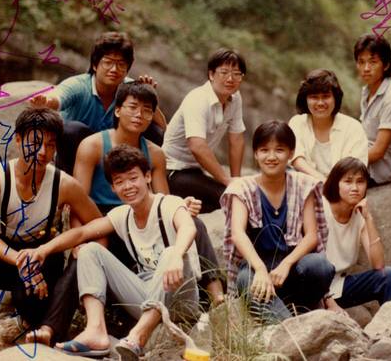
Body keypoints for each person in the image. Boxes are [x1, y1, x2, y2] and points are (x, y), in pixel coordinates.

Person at [18, 145, 199, 360]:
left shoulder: (168, 204)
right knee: (89, 250)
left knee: (169, 253)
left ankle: (139, 336)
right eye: (119, 182)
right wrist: (43, 249)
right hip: (145, 296)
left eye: (133, 178)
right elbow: (81, 233)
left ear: (148, 176)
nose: (128, 186)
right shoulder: (122, 215)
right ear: (113, 188)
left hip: (180, 298)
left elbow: (188, 227)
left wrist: (177, 256)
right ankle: (96, 331)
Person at [0, 108, 102, 361]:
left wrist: (83, 248)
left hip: (44, 258)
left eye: (50, 145)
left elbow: (99, 223)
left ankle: (34, 322)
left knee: (31, 310)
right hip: (7, 254)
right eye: (34, 143)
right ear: (18, 139)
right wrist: (19, 261)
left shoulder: (64, 184)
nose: (42, 152)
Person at [74, 82, 224, 304]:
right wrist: (77, 239)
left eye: (146, 110)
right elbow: (78, 199)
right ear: (118, 110)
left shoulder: (155, 153)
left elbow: (163, 200)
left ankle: (217, 295)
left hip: (141, 216)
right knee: (89, 252)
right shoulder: (92, 146)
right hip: (104, 218)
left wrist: (181, 206)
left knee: (194, 223)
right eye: (133, 107)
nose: (139, 115)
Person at [221, 121, 334, 323]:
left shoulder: (302, 184)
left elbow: (311, 236)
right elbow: (237, 233)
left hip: (291, 269)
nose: (271, 157)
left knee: (320, 265)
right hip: (257, 269)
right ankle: (289, 327)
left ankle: (303, 308)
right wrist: (260, 269)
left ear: (291, 153)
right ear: (256, 154)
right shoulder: (242, 188)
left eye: (279, 150)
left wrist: (287, 264)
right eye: (264, 150)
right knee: (245, 280)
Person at [31, 31, 166, 173]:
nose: (114, 69)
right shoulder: (78, 85)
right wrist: (46, 102)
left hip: (116, 157)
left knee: (153, 131)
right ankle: (70, 180)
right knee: (71, 129)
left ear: (127, 69)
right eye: (108, 62)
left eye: (121, 64)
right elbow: (58, 97)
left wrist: (148, 98)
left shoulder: (130, 89)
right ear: (95, 65)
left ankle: (136, 177)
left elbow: (162, 129)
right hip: (77, 155)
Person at [163, 48, 247, 213]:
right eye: (224, 72)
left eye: (237, 74)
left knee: (231, 196)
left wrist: (235, 179)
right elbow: (197, 146)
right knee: (228, 197)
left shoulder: (235, 98)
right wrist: (226, 181)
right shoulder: (198, 99)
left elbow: (236, 139)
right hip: (174, 170)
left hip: (196, 171)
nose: (230, 79)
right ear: (211, 74)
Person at [321, 157, 391, 313]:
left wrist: (368, 218)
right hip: (315, 289)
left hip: (339, 287)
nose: (355, 188)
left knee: (389, 277)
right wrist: (330, 303)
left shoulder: (359, 217)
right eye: (348, 181)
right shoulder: (322, 207)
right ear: (335, 183)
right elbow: (310, 266)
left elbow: (378, 265)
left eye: (360, 182)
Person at [289, 69, 368, 181]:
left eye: (326, 96)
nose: (320, 103)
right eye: (314, 97)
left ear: (335, 98)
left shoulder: (353, 128)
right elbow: (296, 159)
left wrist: (330, 187)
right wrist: (323, 181)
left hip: (343, 187)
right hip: (306, 186)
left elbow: (356, 167)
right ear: (305, 99)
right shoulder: (297, 123)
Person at [353, 34, 391, 186]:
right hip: (365, 163)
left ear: (386, 65)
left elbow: (378, 151)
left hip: (378, 173)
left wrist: (346, 162)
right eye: (361, 62)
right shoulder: (367, 92)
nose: (366, 68)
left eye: (373, 62)